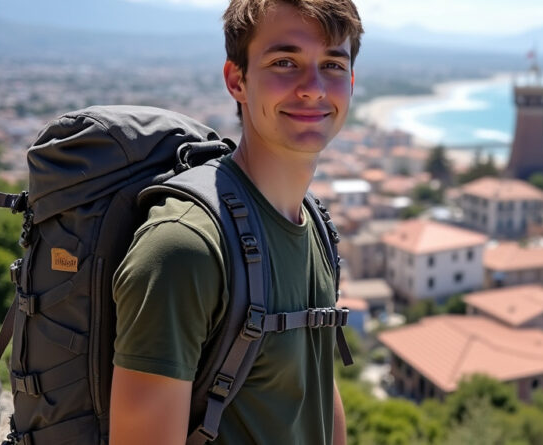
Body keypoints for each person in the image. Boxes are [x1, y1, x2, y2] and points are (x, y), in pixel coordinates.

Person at [108, 0, 363, 444]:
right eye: (285, 62)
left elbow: (315, 391)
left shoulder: (314, 224)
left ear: (351, 82)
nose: (313, 87)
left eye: (333, 64)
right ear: (237, 80)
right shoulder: (185, 247)